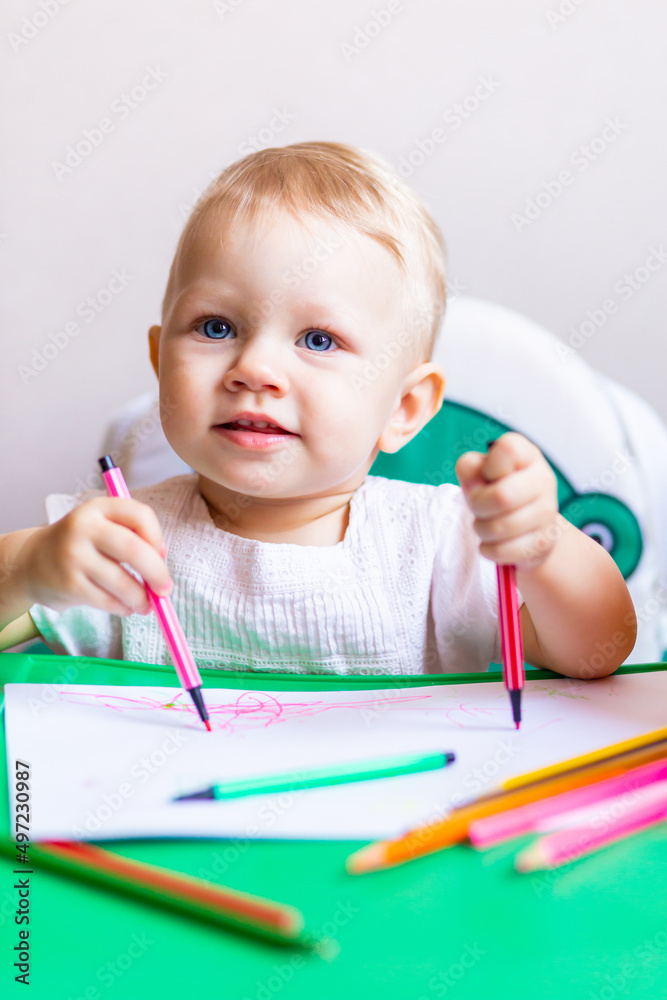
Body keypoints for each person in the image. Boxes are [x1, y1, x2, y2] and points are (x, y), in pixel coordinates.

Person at [0, 141, 636, 676]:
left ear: (405, 408)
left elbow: (597, 651)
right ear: (160, 360)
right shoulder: (118, 544)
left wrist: (543, 546)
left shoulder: (442, 545)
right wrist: (32, 567)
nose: (254, 369)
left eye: (318, 340)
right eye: (217, 327)